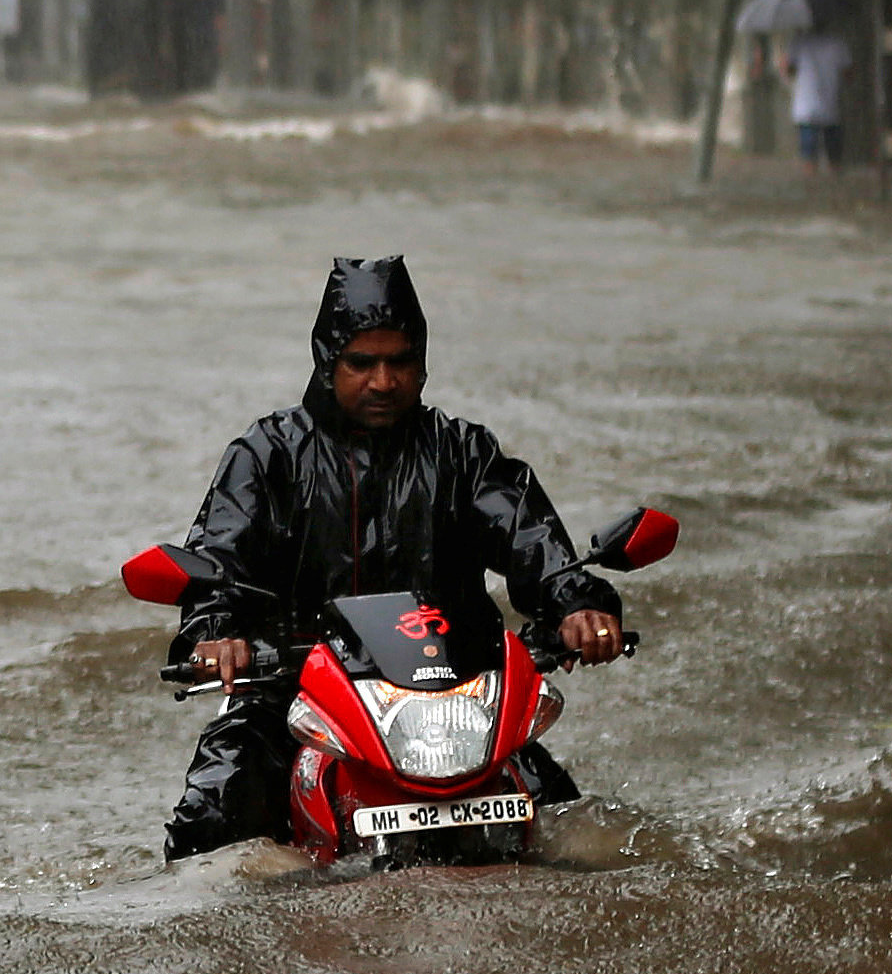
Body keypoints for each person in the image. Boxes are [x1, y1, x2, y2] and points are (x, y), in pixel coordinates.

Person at [161, 256, 624, 860]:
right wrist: (215, 636)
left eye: (399, 361)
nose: (383, 381)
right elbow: (218, 564)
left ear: (423, 364)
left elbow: (532, 539)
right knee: (218, 811)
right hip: (297, 695)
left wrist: (578, 607)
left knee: (579, 837)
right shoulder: (267, 454)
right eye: (362, 362)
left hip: (451, 702)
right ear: (328, 364)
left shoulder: (464, 452)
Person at [782, 3, 851, 175]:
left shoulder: (798, 43)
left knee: (808, 149)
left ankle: (811, 177)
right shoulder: (837, 43)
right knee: (833, 147)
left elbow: (788, 70)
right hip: (830, 100)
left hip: (807, 103)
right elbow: (848, 72)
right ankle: (833, 173)